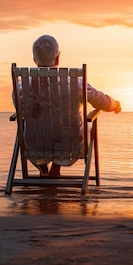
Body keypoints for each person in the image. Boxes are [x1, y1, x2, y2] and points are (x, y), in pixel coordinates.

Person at [16, 35, 121, 177]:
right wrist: (114, 105)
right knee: (75, 130)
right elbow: (99, 100)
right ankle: (56, 168)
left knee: (32, 132)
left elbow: (19, 108)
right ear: (58, 58)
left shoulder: (22, 87)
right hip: (71, 144)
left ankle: (43, 169)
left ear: (35, 61)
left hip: (35, 145)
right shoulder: (75, 84)